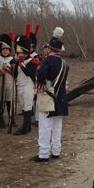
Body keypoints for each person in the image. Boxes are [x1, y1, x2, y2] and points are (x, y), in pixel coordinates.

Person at [31, 27, 69, 162]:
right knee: (57, 127)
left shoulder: (47, 60)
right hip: (61, 98)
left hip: (49, 98)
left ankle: (43, 154)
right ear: (59, 50)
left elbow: (41, 74)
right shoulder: (65, 64)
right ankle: (56, 151)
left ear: (50, 48)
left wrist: (40, 84)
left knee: (44, 127)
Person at [12, 25, 39, 135]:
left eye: (21, 52)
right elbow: (15, 75)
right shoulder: (17, 62)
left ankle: (25, 127)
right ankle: (27, 126)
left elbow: (29, 73)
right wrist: (14, 66)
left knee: (28, 106)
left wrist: (21, 64)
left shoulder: (32, 61)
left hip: (28, 85)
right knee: (23, 106)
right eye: (18, 53)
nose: (19, 54)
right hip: (20, 85)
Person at [0, 32, 15, 128]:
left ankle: (12, 119)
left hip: (10, 83)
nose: (5, 51)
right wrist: (0, 71)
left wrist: (8, 69)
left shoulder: (12, 59)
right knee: (0, 101)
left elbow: (15, 73)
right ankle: (0, 119)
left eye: (7, 50)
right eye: (3, 50)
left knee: (9, 101)